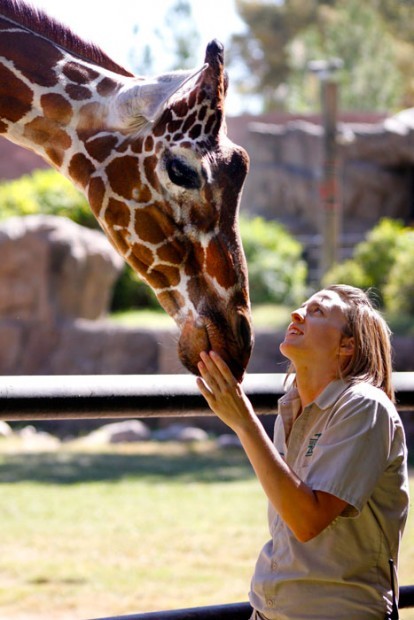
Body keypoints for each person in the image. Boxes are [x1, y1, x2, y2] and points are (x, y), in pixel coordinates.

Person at [196, 284, 409, 620]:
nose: (296, 314)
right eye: (302, 307)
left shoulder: (364, 407)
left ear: (347, 345)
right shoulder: (292, 408)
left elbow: (308, 521)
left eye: (317, 311)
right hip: (267, 610)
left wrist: (244, 423)